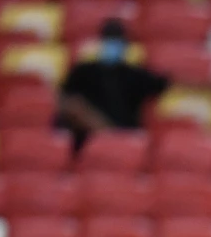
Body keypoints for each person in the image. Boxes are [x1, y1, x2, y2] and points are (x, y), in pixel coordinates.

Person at [57, 19, 169, 151]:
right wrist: (101, 129)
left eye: (118, 41)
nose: (114, 46)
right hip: (88, 141)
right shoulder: (83, 71)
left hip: (127, 141)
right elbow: (67, 102)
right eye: (110, 40)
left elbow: (167, 83)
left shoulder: (135, 74)